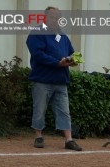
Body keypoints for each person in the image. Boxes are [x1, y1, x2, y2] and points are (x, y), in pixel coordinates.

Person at [26, 6, 82, 151]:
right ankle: (38, 136)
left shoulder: (62, 36)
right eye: (52, 17)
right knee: (39, 109)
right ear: (44, 17)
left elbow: (71, 53)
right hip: (42, 80)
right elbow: (37, 54)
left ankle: (69, 140)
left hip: (61, 81)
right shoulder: (36, 32)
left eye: (58, 18)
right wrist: (57, 63)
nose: (55, 20)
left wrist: (74, 60)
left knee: (64, 111)